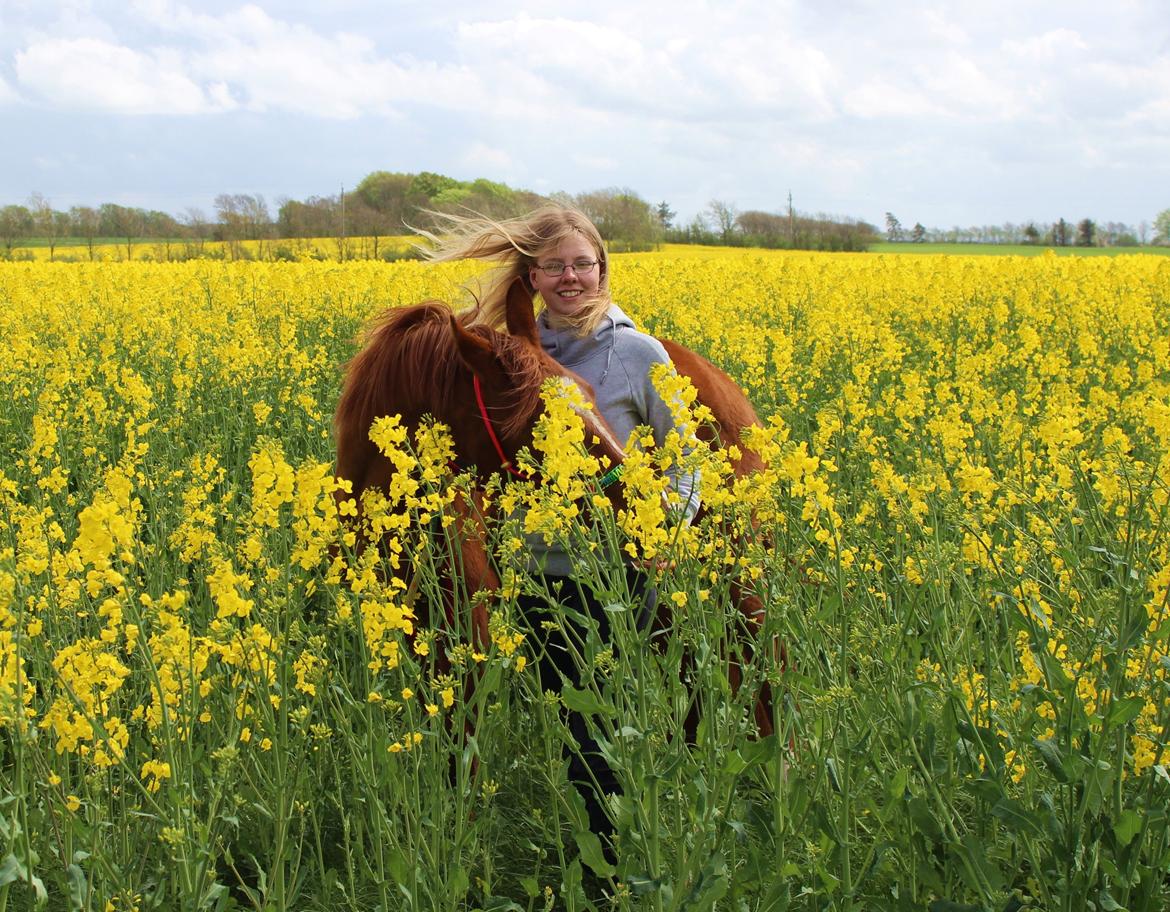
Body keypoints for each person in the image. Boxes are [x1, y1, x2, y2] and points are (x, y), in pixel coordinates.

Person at [425, 204, 700, 856]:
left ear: (603, 268)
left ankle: (609, 873)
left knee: (600, 732)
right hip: (537, 576)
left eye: (583, 264)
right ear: (533, 276)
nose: (571, 277)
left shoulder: (638, 354)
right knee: (568, 729)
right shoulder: (512, 356)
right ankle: (594, 856)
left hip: (618, 576)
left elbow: (687, 461)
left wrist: (669, 530)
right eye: (555, 266)